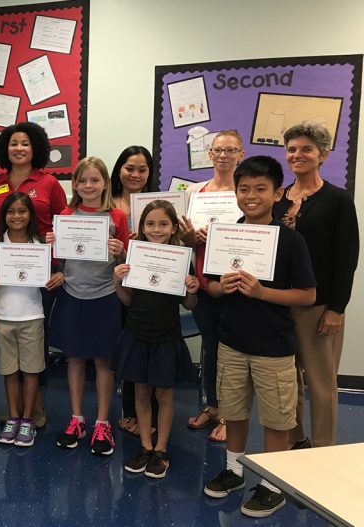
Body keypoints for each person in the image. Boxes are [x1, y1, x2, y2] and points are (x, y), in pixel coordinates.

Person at [202, 156, 316, 518]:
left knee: (276, 418)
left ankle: (272, 484)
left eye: (260, 189)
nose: (251, 196)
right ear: (235, 192)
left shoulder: (291, 241)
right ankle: (234, 470)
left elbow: (307, 295)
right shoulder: (226, 234)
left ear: (277, 193)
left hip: (274, 346)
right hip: (232, 341)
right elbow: (210, 286)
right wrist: (221, 287)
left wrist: (262, 292)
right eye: (244, 189)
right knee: (233, 411)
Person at [273, 122, 359, 448]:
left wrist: (336, 309)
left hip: (319, 307)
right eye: (292, 149)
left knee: (322, 385)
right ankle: (297, 441)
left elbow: (347, 258)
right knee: (287, 381)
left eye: (306, 149)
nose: (298, 154)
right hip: (280, 303)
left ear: (322, 155)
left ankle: (323, 450)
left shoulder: (337, 200)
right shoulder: (278, 199)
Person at [0, 122, 67, 428]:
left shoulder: (49, 183)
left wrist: (60, 267)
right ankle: (15, 408)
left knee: (35, 343)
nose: (19, 148)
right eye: (13, 143)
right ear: (5, 148)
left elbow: (64, 225)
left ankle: (36, 406)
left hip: (40, 274)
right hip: (2, 271)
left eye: (25, 143)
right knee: (8, 344)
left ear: (36, 149)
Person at [47, 156, 128, 455]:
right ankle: (77, 418)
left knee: (104, 362)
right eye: (82, 180)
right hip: (72, 294)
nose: (89, 185)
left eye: (95, 180)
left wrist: (121, 251)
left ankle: (102, 422)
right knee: (75, 359)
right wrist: (52, 245)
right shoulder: (66, 214)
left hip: (105, 295)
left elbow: (126, 260)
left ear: (105, 183)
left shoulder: (117, 217)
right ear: (75, 184)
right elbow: (60, 260)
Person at [112, 200, 199, 478]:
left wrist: (192, 290)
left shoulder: (182, 258)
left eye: (163, 224)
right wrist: (117, 281)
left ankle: (161, 449)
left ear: (173, 227)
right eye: (150, 224)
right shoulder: (135, 255)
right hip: (137, 333)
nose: (156, 229)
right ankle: (145, 445)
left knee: (164, 393)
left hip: (166, 336)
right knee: (141, 392)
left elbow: (189, 304)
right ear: (142, 227)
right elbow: (128, 300)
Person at [181, 130, 245, 443]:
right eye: (218, 150)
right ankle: (210, 407)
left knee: (232, 350)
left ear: (241, 154)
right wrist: (191, 237)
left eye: (230, 150)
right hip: (204, 282)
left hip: (236, 284)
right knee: (209, 346)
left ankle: (231, 417)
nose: (223, 155)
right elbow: (184, 238)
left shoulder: (245, 192)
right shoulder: (195, 192)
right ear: (209, 154)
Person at [0, 192, 63, 447]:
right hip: (3, 315)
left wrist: (57, 277)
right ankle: (13, 417)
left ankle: (28, 419)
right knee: (9, 370)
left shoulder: (40, 244)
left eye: (22, 211)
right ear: (3, 215)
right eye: (11, 211)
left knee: (31, 371)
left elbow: (50, 275)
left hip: (32, 315)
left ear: (31, 214)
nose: (16, 216)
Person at [108, 146, 158, 437]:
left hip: (147, 289)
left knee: (145, 349)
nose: (135, 174)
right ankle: (130, 410)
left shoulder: (157, 204)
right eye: (129, 168)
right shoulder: (106, 203)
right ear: (119, 170)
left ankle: (151, 412)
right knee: (126, 349)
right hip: (111, 285)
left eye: (142, 169)